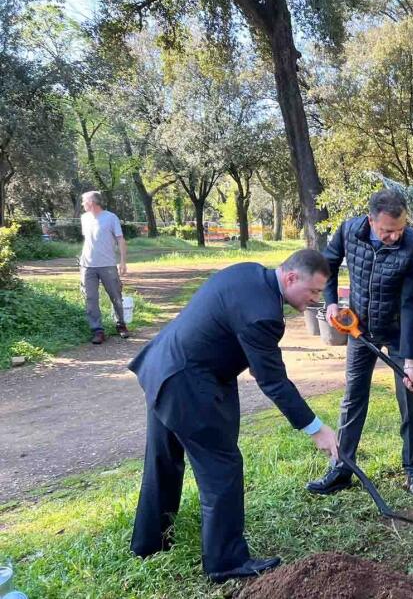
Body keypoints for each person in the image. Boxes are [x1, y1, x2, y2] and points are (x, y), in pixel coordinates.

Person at [128, 250, 339, 583]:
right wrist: (316, 428)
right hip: (185, 380)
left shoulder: (249, 273)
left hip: (163, 365)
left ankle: (149, 543)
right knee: (222, 468)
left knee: (163, 459)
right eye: (312, 292)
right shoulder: (263, 314)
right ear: (291, 277)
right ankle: (225, 562)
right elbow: (272, 379)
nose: (314, 300)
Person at [307, 189, 413, 497]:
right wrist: (332, 302)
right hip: (359, 328)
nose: (395, 236)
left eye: (400, 229)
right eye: (388, 231)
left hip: (399, 331)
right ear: (371, 221)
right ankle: (342, 469)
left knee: (410, 397)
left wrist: (411, 362)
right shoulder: (350, 230)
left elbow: (412, 303)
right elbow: (327, 265)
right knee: (353, 397)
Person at [79, 190, 129, 344]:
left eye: (84, 201)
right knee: (91, 298)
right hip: (88, 266)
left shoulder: (111, 218)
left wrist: (122, 261)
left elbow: (120, 240)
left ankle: (121, 325)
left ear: (92, 202)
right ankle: (98, 331)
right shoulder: (84, 218)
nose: (82, 204)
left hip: (108, 265)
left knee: (116, 296)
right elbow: (89, 242)